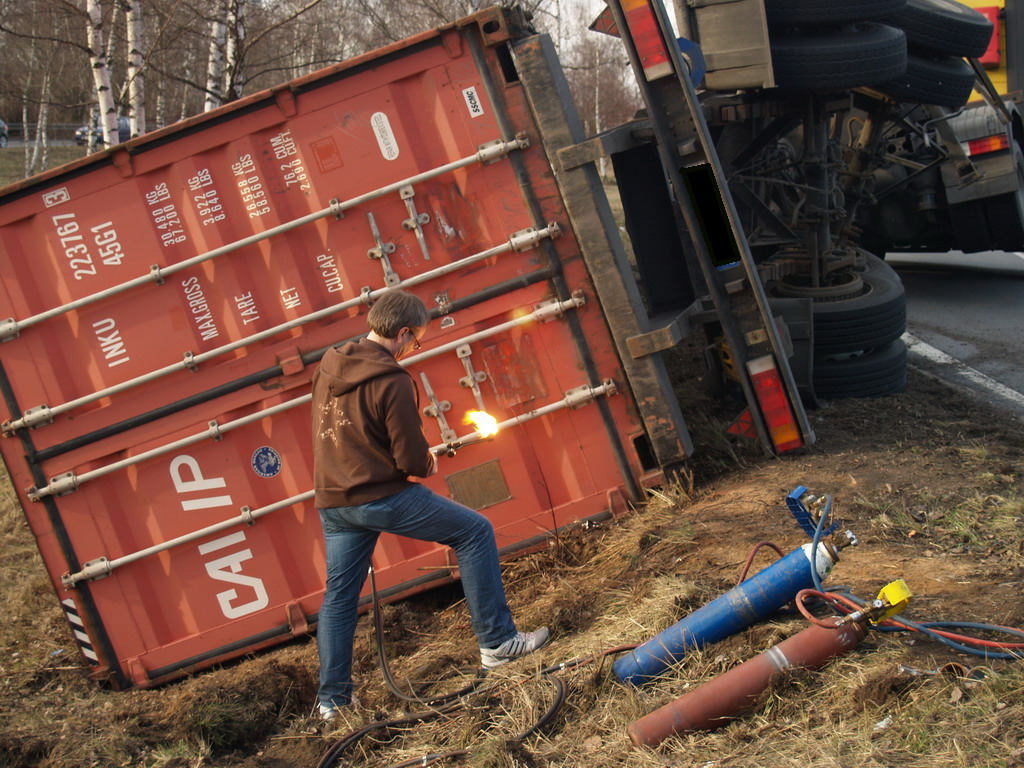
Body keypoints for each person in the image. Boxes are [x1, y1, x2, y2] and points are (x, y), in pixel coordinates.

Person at [311, 288, 549, 720]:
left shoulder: (329, 365)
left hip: (333, 501)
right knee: (474, 532)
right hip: (380, 496)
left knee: (340, 597)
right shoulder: (393, 381)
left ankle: (333, 702)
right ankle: (498, 644)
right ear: (402, 333)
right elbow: (410, 461)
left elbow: (348, 434)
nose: (412, 349)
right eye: (416, 341)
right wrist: (429, 459)